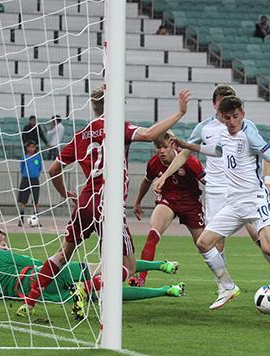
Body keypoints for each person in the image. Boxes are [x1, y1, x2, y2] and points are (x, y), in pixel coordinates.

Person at [15, 86, 191, 317]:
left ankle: (29, 302)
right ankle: (85, 288)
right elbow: (149, 134)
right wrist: (179, 113)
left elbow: (53, 169)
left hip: (85, 201)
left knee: (63, 253)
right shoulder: (118, 127)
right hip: (108, 204)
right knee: (128, 266)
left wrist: (64, 193)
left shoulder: (81, 134)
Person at [164, 95, 270, 310]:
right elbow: (217, 151)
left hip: (256, 201)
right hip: (233, 205)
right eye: (228, 117)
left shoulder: (250, 135)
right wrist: (186, 145)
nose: (232, 121)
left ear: (242, 114)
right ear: (222, 117)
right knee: (203, 243)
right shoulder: (223, 134)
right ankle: (227, 287)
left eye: (235, 116)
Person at [0, 227, 185, 320]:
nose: (4, 243)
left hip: (44, 294)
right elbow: (40, 264)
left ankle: (166, 290)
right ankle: (161, 265)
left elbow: (3, 292)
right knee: (110, 268)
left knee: (106, 294)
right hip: (44, 277)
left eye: (4, 240)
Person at [129, 130, 205, 287]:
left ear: (173, 146)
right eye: (158, 147)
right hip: (168, 199)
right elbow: (147, 181)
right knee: (152, 235)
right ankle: (141, 279)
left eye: (164, 147)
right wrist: (137, 202)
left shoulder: (190, 161)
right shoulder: (154, 163)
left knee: (204, 245)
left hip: (191, 204)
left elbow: (208, 182)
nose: (161, 151)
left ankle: (223, 283)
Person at [17, 141, 43, 227]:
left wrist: (35, 174)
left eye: (33, 147)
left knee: (35, 201)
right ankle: (21, 219)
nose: (31, 149)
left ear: (35, 148)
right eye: (29, 147)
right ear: (26, 148)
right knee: (23, 201)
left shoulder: (38, 158)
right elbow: (22, 169)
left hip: (35, 180)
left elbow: (40, 168)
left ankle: (36, 220)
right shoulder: (24, 158)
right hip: (25, 180)